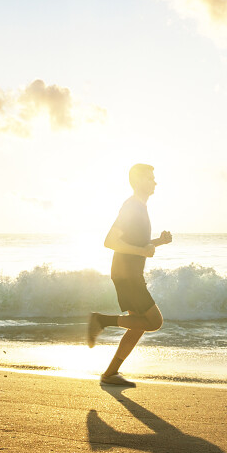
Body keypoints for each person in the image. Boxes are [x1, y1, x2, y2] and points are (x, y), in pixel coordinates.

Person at [87, 163, 172, 386]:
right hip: (127, 275)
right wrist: (142, 250)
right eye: (151, 178)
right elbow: (110, 241)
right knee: (154, 322)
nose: (155, 182)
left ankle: (110, 373)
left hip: (130, 273)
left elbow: (135, 244)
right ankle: (101, 320)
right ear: (139, 181)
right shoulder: (131, 206)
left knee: (138, 326)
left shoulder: (140, 208)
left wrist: (157, 242)